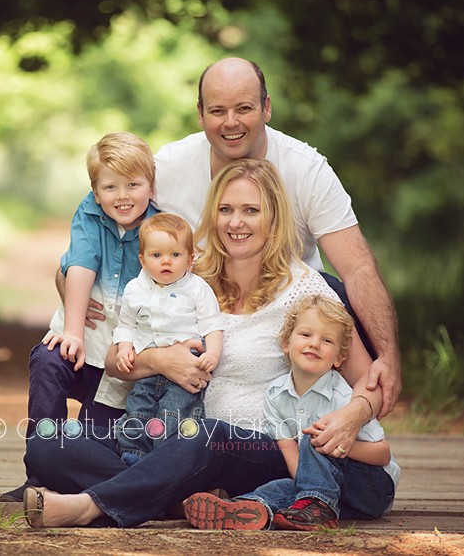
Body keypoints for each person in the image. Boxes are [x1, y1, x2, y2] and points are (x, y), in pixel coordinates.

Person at [22, 158, 382, 529]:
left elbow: (368, 380)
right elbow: (115, 362)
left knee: (206, 435)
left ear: (273, 218)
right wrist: (160, 361)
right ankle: (173, 496)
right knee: (48, 446)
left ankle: (87, 507)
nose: (236, 222)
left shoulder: (304, 288)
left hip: (255, 448)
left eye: (251, 211)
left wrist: (353, 415)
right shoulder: (183, 273)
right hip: (166, 434)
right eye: (226, 209)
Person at [60, 57, 402, 438]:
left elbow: (358, 268)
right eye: (218, 111)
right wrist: (71, 280)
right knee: (78, 443)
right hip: (195, 307)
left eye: (244, 108)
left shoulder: (306, 170)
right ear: (201, 113)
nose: (231, 122)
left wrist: (388, 357)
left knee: (334, 294)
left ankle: (334, 423)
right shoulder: (169, 166)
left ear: (267, 108)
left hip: (282, 312)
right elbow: (105, 209)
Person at [0, 132, 159, 502]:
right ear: (95, 189)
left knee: (92, 445)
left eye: (133, 185)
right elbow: (82, 265)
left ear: (151, 188)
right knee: (48, 359)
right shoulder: (88, 214)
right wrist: (73, 332)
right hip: (84, 345)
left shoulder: (159, 227)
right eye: (111, 186)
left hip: (122, 368)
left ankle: (90, 482)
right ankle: (37, 477)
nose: (122, 196)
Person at [182, 295, 399, 531]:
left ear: (339, 358)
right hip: (334, 494)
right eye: (306, 335)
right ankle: (250, 507)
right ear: (286, 344)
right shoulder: (276, 395)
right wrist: (307, 482)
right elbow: (293, 460)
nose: (314, 343)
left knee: (314, 438)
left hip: (374, 488)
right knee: (279, 487)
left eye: (326, 340)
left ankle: (315, 505)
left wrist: (336, 443)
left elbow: (383, 455)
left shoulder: (344, 398)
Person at [113, 213, 224, 466]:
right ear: (142, 260)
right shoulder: (134, 290)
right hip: (147, 368)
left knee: (174, 413)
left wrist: (212, 354)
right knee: (138, 408)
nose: (166, 261)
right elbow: (126, 324)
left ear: (189, 260)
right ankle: (134, 455)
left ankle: (167, 461)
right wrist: (124, 348)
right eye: (156, 255)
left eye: (175, 255)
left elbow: (213, 326)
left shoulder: (196, 289)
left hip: (187, 365)